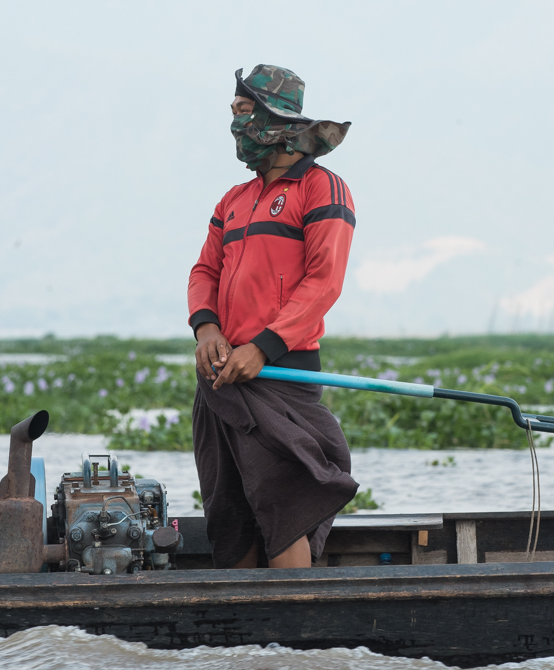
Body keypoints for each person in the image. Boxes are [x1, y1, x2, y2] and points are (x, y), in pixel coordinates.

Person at [187, 64, 358, 570]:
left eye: (243, 113)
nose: (236, 126)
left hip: (282, 375)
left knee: (283, 509)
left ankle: (293, 641)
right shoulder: (234, 200)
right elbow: (204, 271)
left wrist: (261, 348)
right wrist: (208, 330)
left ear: (273, 120)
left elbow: (323, 283)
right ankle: (244, 646)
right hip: (221, 381)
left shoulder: (323, 189)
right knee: (230, 513)